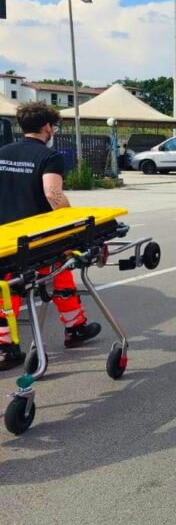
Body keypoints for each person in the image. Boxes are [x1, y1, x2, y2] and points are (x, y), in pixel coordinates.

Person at [0, 102, 103, 370]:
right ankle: (74, 327)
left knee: (6, 286)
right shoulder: (49, 156)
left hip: (5, 235)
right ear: (47, 127)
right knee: (61, 271)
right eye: (53, 126)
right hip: (37, 237)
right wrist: (71, 221)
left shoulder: (3, 152)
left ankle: (6, 347)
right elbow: (52, 194)